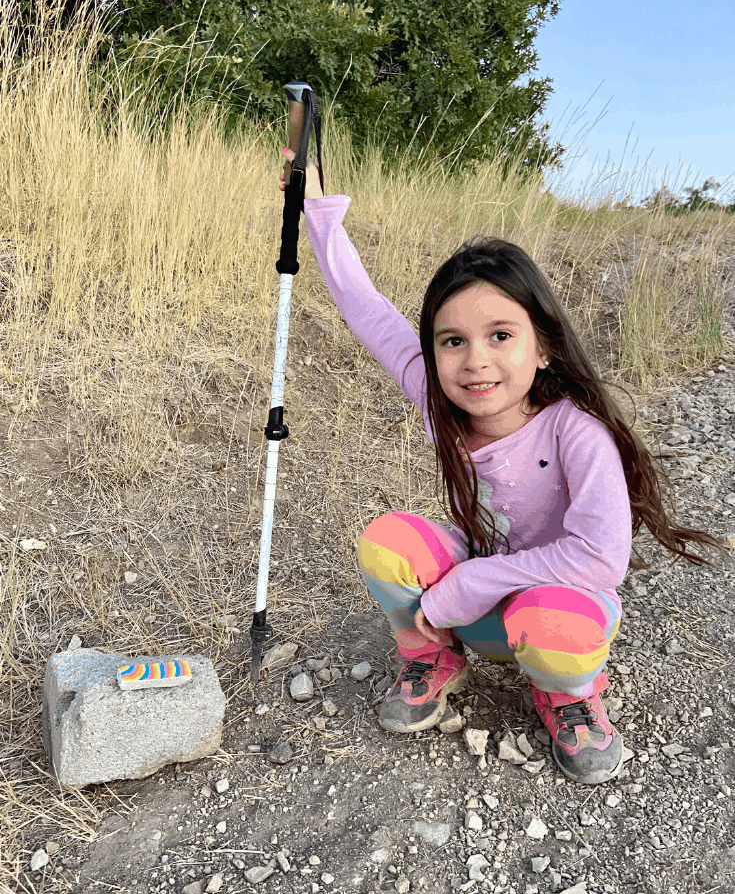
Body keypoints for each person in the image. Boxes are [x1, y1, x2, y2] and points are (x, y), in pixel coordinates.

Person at [279, 149, 723, 785]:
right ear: (433, 354)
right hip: (478, 610)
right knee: (388, 543)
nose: (474, 361)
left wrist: (467, 585)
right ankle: (434, 655)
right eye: (451, 341)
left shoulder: (579, 431)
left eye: (500, 335)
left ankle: (569, 696)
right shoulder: (439, 398)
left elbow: (600, 559)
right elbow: (366, 307)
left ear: (542, 345)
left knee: (551, 622)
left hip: (559, 611)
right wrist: (317, 211)